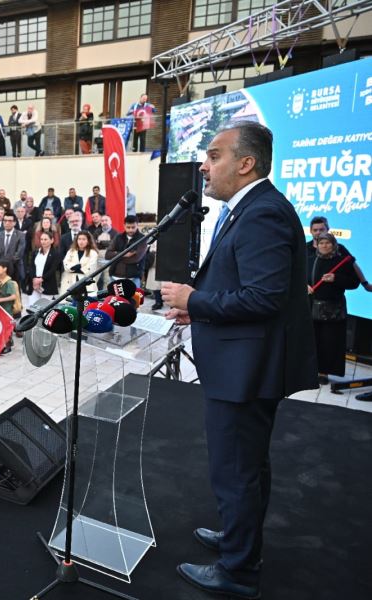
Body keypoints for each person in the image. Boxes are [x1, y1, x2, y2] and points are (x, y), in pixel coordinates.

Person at [161, 122, 317, 599]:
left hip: (245, 372)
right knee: (245, 467)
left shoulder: (262, 212)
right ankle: (238, 540)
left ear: (246, 163)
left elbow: (264, 298)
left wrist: (195, 298)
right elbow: (244, 288)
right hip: (240, 362)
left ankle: (238, 570)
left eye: (214, 155)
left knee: (235, 471)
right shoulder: (247, 208)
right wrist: (199, 309)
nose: (204, 166)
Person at [307, 233, 359, 383]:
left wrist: (336, 279)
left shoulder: (342, 261)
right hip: (312, 306)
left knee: (328, 341)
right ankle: (309, 369)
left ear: (333, 244)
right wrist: (305, 286)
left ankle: (323, 372)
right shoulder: (311, 260)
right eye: (321, 243)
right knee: (312, 339)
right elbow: (300, 276)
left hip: (333, 308)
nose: (324, 246)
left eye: (327, 243)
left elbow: (354, 282)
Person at [105, 215, 147, 288]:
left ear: (137, 225)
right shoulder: (118, 237)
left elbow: (136, 259)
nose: (130, 230)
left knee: (134, 299)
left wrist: (116, 255)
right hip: (115, 277)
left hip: (133, 278)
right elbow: (107, 255)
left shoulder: (142, 239)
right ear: (124, 226)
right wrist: (124, 254)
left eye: (133, 227)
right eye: (128, 227)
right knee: (115, 299)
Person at [0, 258, 22, 355]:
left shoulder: (9, 282)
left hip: (7, 309)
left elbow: (13, 296)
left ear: (5, 269)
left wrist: (1, 300)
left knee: (6, 327)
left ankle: (7, 346)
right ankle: (6, 342)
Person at [25, 231, 62, 307]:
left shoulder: (56, 253)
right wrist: (34, 279)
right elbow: (31, 267)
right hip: (34, 284)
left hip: (47, 283)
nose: (43, 241)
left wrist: (41, 279)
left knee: (45, 308)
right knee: (32, 307)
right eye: (41, 239)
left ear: (52, 240)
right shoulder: (35, 252)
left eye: (45, 239)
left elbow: (52, 269)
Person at [60, 231, 99, 296]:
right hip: (71, 281)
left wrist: (75, 268)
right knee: (70, 302)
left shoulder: (93, 253)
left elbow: (90, 269)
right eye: (79, 239)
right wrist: (78, 266)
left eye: (84, 239)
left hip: (86, 283)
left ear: (88, 241)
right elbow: (66, 264)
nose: (81, 241)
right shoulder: (71, 251)